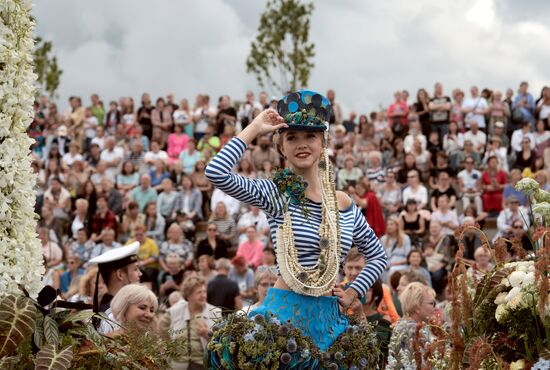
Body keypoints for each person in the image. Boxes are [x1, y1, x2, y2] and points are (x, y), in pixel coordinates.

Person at [205, 90, 386, 357]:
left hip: (330, 322)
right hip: (283, 321)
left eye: (310, 136)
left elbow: (377, 256)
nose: (301, 144)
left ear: (323, 143)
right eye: (292, 137)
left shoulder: (344, 203)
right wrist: (255, 127)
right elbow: (216, 172)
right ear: (281, 147)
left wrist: (353, 291)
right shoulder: (275, 194)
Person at [161, 275, 221, 369]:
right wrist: (168, 345)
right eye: (199, 292)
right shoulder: (175, 311)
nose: (203, 295)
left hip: (203, 365)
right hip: (178, 365)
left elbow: (222, 341)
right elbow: (161, 329)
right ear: (188, 296)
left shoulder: (215, 312)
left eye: (204, 291)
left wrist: (208, 333)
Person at [88, 242, 142, 332]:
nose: (140, 274)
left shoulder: (113, 309)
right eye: (135, 269)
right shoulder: (114, 316)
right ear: (120, 274)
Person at [387, 283, 436, 370]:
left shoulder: (409, 325)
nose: (435, 308)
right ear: (416, 306)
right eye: (432, 303)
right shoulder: (410, 329)